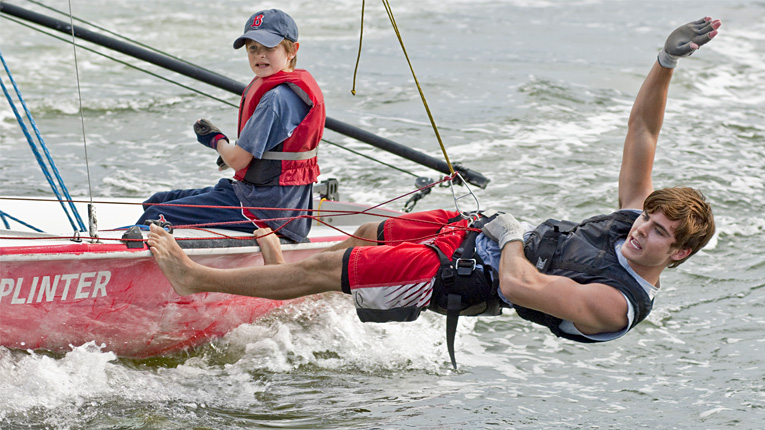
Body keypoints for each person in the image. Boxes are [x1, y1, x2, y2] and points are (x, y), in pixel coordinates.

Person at [147, 18, 720, 367]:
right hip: (476, 233)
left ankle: (200, 278)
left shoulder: (616, 305)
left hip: (458, 273)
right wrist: (665, 60)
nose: (642, 229)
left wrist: (509, 230)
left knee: (333, 266)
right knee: (370, 230)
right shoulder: (632, 222)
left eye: (658, 234)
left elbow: (522, 284)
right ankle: (294, 282)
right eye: (647, 219)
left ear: (680, 254)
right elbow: (642, 132)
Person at [136, 9, 326, 242]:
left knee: (157, 214)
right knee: (157, 201)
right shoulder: (284, 90)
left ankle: (124, 262)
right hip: (277, 203)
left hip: (266, 210)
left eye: (269, 47)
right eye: (253, 48)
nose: (260, 55)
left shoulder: (276, 98)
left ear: (292, 50)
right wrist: (229, 154)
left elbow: (238, 160)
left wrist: (216, 140)